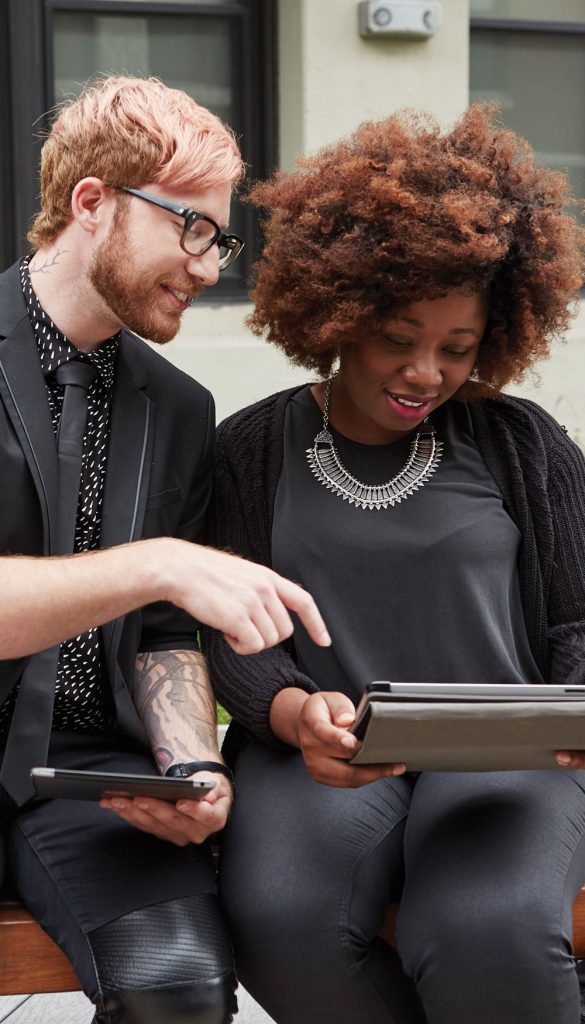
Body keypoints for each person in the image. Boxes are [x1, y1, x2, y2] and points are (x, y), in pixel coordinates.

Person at [205, 104, 585, 1024]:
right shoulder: (250, 451)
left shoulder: (519, 444)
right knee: (278, 920)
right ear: (333, 312)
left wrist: (574, 711)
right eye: (397, 339)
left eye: (456, 349)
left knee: (487, 927)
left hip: (510, 756)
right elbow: (225, 633)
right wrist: (293, 713)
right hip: (318, 757)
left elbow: (578, 620)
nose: (425, 372)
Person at [0, 74, 330, 1024]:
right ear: (93, 203)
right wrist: (155, 561)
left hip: (83, 774)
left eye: (217, 238)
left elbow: (160, 633)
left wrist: (194, 766)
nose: (209, 264)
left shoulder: (180, 409)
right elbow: (156, 581)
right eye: (191, 227)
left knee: (178, 986)